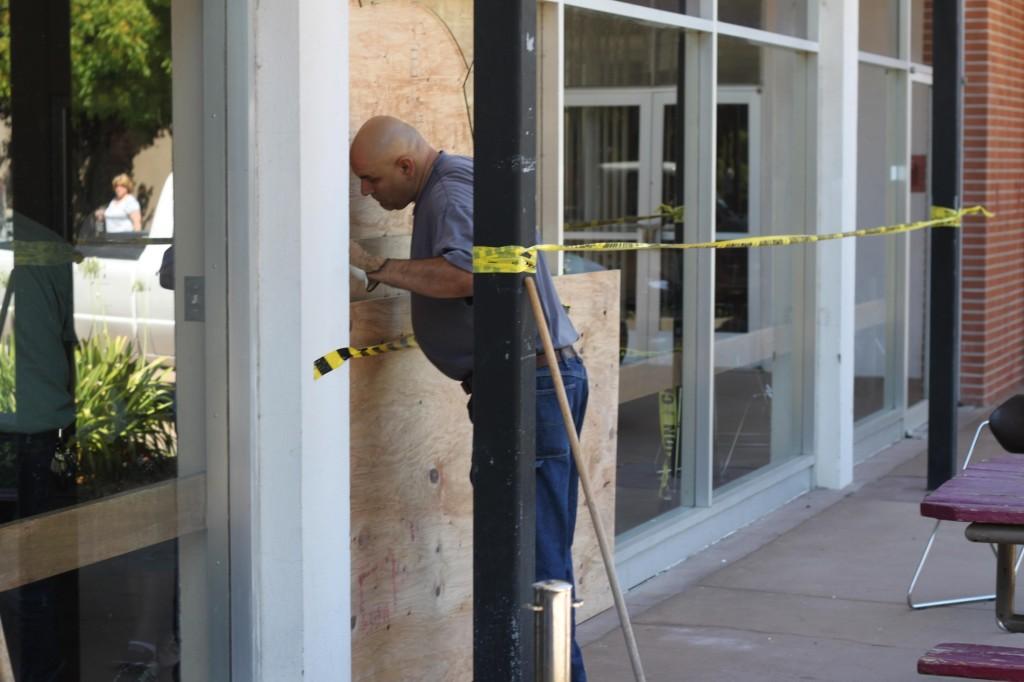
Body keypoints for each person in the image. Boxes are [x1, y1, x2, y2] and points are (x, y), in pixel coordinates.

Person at [349, 115, 589, 681]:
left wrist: (378, 267)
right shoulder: (454, 181)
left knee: (536, 567)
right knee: (528, 561)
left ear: (406, 166)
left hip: (530, 389)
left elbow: (466, 273)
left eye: (370, 179)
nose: (365, 191)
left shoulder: (450, 192)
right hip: (526, 385)